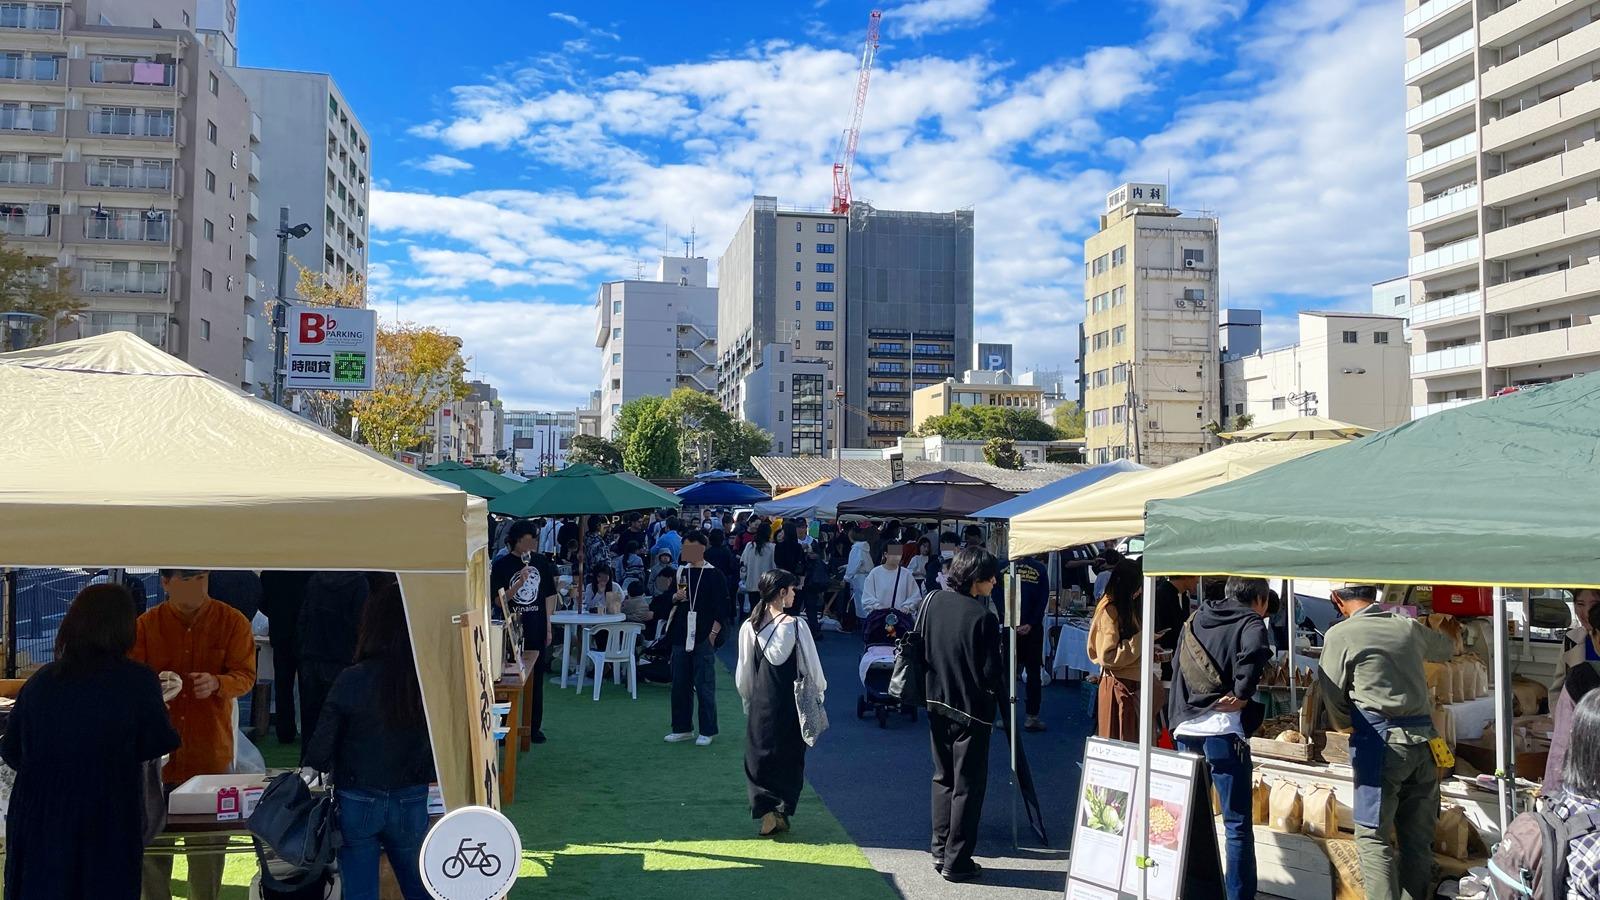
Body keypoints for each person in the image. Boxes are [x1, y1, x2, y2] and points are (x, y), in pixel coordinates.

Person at [2, 584, 180, 900]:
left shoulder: (42, 682)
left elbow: (13, 750)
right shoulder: (137, 682)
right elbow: (157, 741)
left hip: (39, 817)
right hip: (106, 815)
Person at [1317, 584, 1456, 900]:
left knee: (1373, 837)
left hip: (1381, 745)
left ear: (1337, 600)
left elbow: (1331, 693)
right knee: (1417, 840)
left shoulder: (1341, 634)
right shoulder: (1405, 625)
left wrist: (1346, 726)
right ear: (1375, 596)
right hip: (1424, 744)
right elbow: (1447, 649)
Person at [303, 584, 435, 900]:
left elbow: (319, 749)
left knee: (360, 892)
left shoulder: (352, 678)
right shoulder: (424, 679)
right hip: (410, 796)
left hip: (357, 797)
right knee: (421, 887)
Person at [132, 570, 256, 900]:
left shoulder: (233, 622)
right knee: (153, 853)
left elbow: (246, 676)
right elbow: (130, 680)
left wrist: (218, 683)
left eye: (199, 578)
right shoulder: (145, 625)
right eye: (185, 580)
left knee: (209, 858)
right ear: (165, 583)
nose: (194, 587)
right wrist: (154, 687)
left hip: (209, 757)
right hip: (157, 761)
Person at [1169, 576, 1275, 900]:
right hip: (1223, 732)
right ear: (1260, 598)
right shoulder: (1251, 621)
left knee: (1188, 821)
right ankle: (1238, 896)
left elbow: (1177, 662)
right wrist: (1243, 692)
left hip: (1186, 728)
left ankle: (1190, 890)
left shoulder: (1197, 617)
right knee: (1237, 825)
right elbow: (1257, 651)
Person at [921, 548, 1005, 883]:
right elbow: (991, 672)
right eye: (990, 577)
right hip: (971, 711)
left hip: (935, 699)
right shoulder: (983, 617)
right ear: (976, 578)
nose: (994, 582)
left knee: (943, 778)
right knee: (967, 786)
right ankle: (957, 860)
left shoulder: (932, 602)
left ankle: (940, 850)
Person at [737, 569, 827, 837]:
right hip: (792, 704)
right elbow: (811, 666)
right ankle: (781, 810)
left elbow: (745, 672)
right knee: (790, 758)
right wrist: (820, 693)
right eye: (792, 588)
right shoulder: (798, 625)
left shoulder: (749, 626)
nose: (795, 592)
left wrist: (748, 701)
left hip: (761, 703)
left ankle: (768, 812)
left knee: (757, 758)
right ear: (781, 593)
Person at [665, 531, 732, 746]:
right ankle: (681, 727)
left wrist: (713, 633)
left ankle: (707, 729)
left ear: (702, 548)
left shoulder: (715, 575)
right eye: (685, 547)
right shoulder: (681, 572)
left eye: (690, 547)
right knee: (679, 683)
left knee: (705, 684)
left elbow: (723, 608)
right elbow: (667, 600)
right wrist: (675, 597)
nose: (687, 551)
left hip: (704, 634)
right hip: (680, 633)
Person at [1088, 558, 1161, 741]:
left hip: (1131, 686)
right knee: (1122, 744)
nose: (1140, 591)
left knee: (1133, 743)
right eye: (1137, 586)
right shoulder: (1109, 610)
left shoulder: (1126, 606)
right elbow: (1108, 657)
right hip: (1120, 687)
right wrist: (1142, 639)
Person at [297, 571, 370, 747]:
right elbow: (362, 625)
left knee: (310, 721)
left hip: (312, 658)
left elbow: (303, 619)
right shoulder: (359, 583)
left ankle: (307, 768)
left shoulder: (315, 579)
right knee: (340, 723)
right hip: (343, 660)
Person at [1548, 589, 1600, 793]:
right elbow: (1557, 688)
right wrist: (1560, 721)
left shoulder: (1581, 676)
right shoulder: (1571, 639)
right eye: (1579, 605)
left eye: (1594, 604)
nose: (1586, 612)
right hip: (1578, 736)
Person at [259, 570, 312, 743]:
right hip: (306, 634)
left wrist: (276, 613)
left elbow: (262, 602)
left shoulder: (270, 573)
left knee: (283, 684)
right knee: (307, 687)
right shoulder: (311, 573)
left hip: (280, 631)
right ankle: (308, 729)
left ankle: (285, 731)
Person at [1014, 553, 1051, 733]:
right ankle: (1032, 716)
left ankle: (1008, 715)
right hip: (1032, 628)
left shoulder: (1005, 567)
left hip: (1010, 626)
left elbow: (997, 595)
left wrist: (1011, 622)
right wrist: (1032, 622)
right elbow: (1043, 598)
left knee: (1007, 673)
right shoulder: (1039, 568)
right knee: (1033, 671)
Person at [1153, 575, 1197, 680]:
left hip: (1180, 660)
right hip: (1163, 663)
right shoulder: (1161, 595)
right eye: (1197, 577)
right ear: (1186, 576)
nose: (1198, 581)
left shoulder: (1184, 598)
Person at [862, 546, 921, 614]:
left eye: (899, 554)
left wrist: (907, 607)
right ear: (885, 554)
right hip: (879, 617)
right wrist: (877, 607)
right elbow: (867, 596)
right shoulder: (875, 573)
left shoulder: (906, 574)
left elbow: (915, 596)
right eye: (894, 554)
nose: (897, 557)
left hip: (901, 617)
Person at [740, 525, 777, 616]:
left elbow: (743, 563)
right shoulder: (772, 548)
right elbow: (775, 566)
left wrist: (743, 577)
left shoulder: (750, 546)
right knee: (767, 611)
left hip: (751, 583)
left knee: (754, 609)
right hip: (767, 584)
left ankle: (754, 627)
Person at [845, 526, 874, 618]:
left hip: (860, 578)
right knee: (865, 602)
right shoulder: (863, 547)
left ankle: (863, 625)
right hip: (866, 577)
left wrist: (846, 578)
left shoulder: (857, 548)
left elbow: (854, 565)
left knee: (861, 604)